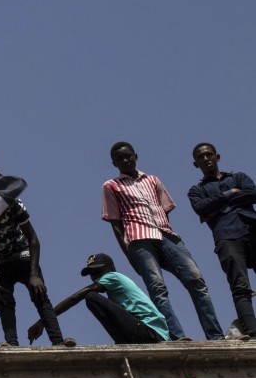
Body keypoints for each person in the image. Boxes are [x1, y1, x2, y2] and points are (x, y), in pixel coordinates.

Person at [103, 141, 223, 341]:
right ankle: (177, 337)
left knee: (196, 280)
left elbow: (164, 209)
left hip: (166, 235)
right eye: (120, 159)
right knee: (157, 288)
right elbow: (115, 223)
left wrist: (167, 233)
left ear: (136, 156)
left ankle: (216, 335)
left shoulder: (153, 180)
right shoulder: (111, 186)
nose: (125, 160)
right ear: (114, 164)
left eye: (128, 156)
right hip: (139, 238)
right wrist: (129, 253)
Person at [0, 199, 75, 347]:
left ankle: (58, 342)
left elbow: (33, 239)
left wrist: (34, 274)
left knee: (40, 295)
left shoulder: (12, 202)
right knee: (4, 302)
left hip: (22, 255)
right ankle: (11, 344)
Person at [188, 143, 256, 339]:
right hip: (227, 237)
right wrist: (231, 193)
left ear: (217, 157)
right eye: (201, 157)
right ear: (196, 163)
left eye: (209, 154)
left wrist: (217, 209)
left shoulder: (239, 177)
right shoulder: (196, 190)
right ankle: (252, 331)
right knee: (240, 286)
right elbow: (201, 207)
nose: (206, 158)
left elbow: (253, 193)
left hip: (252, 230)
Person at [32, 252, 169, 345]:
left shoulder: (113, 276)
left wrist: (43, 321)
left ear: (111, 268)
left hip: (150, 332)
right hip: (149, 333)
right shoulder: (116, 289)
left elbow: (75, 298)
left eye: (98, 270)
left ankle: (122, 343)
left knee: (91, 297)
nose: (95, 275)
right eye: (91, 273)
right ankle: (123, 343)